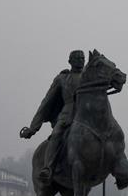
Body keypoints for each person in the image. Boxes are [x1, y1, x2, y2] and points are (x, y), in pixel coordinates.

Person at [20, 50, 84, 184]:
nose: (81, 60)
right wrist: (33, 128)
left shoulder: (89, 75)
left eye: (82, 58)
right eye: (77, 58)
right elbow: (46, 102)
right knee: (56, 134)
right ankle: (48, 167)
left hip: (88, 113)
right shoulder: (61, 79)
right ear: (70, 61)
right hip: (68, 113)